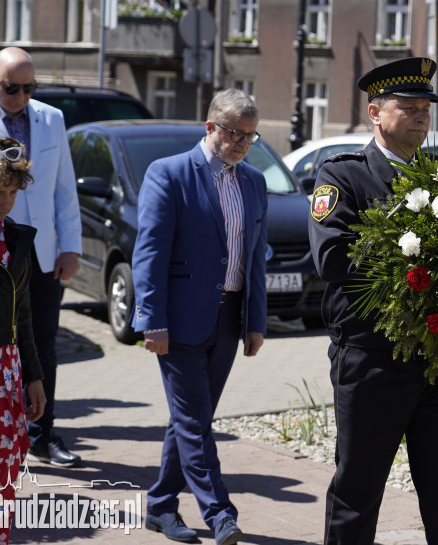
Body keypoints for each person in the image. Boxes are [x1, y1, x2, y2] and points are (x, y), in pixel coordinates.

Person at [308, 57, 438, 544]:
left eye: (426, 108)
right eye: (409, 107)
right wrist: (417, 264)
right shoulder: (343, 177)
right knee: (358, 489)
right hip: (373, 359)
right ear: (375, 113)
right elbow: (334, 259)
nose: (422, 116)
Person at [132, 89, 267, 545]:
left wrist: (255, 322)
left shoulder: (253, 181)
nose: (243, 143)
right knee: (193, 422)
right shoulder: (168, 173)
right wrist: (151, 320)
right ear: (210, 127)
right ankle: (220, 513)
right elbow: (148, 253)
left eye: (251, 136)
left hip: (229, 320)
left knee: (191, 418)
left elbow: (255, 260)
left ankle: (160, 506)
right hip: (178, 321)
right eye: (234, 133)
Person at [0, 46, 83, 468]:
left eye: (28, 88)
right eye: (11, 89)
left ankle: (43, 435)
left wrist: (70, 245)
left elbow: (63, 187)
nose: (21, 97)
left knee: (41, 343)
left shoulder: (52, 119)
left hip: (39, 254)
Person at [0, 137, 46, 543]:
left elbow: (24, 315)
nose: (5, 202)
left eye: (12, 193)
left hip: (5, 371)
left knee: (4, 468)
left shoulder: (18, 239)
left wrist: (34, 377)